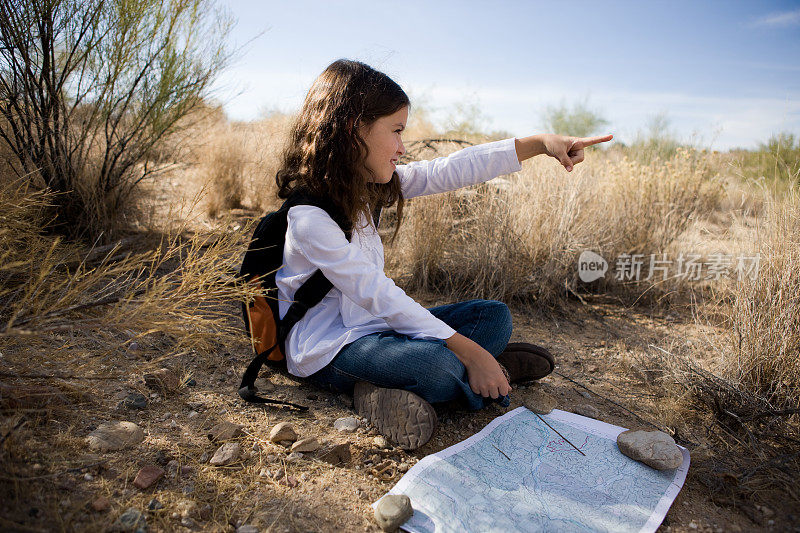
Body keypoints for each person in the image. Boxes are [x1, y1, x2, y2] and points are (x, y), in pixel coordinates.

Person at [273, 59, 613, 449]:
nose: (402, 147)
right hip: (329, 347)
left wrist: (540, 144)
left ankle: (457, 375)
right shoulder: (309, 218)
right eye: (396, 131)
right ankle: (477, 375)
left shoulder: (368, 187)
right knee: (433, 366)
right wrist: (467, 349)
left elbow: (449, 169)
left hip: (380, 330)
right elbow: (376, 293)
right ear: (354, 131)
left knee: (494, 316)